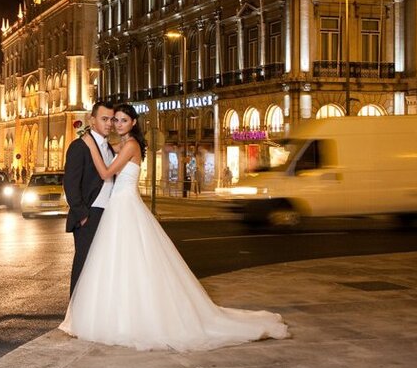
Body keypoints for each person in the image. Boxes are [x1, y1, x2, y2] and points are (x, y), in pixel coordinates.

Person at [59, 103, 288, 351]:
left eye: (122, 120)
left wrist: (92, 144)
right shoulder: (118, 145)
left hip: (122, 208)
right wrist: (92, 145)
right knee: (109, 265)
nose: (116, 124)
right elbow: (77, 179)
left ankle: (120, 317)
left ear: (133, 123)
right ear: (96, 120)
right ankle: (93, 314)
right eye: (114, 120)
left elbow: (105, 173)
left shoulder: (130, 145)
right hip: (111, 210)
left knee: (126, 265)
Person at [63, 101, 114, 297]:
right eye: (104, 119)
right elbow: (71, 185)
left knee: (101, 266)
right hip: (89, 215)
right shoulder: (79, 146)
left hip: (108, 214)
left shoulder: (108, 147)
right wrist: (83, 215)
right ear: (92, 120)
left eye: (111, 119)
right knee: (84, 264)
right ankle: (75, 310)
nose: (109, 123)